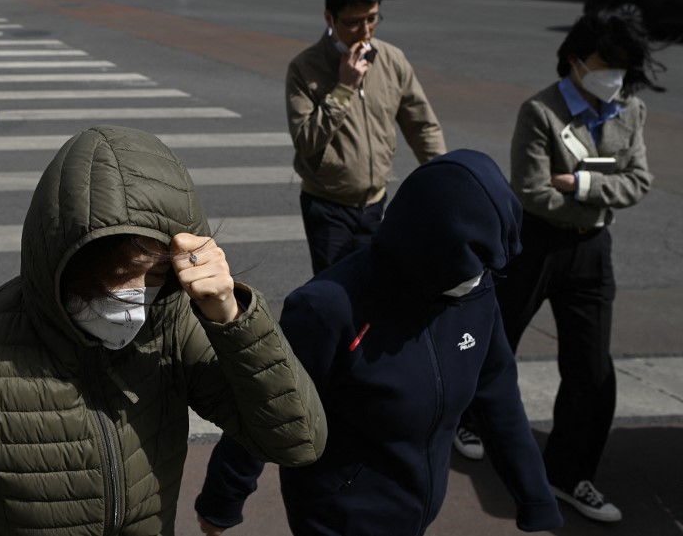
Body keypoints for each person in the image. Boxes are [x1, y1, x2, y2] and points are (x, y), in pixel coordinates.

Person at [0, 125, 327, 536]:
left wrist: (232, 316)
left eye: (153, 276)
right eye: (114, 276)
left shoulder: (173, 328)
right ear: (61, 264)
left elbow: (296, 441)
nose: (132, 298)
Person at [195, 149, 564, 536]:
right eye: (472, 266)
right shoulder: (328, 307)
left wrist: (535, 497)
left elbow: (498, 392)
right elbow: (270, 405)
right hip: (338, 515)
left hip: (417, 512)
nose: (480, 278)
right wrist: (223, 499)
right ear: (431, 249)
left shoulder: (476, 287)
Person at [494, 9, 663, 523]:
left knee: (591, 368)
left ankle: (568, 474)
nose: (615, 76)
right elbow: (534, 191)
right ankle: (469, 419)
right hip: (536, 243)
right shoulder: (541, 112)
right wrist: (588, 195)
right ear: (575, 60)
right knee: (497, 341)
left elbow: (639, 181)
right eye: (606, 64)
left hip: (593, 249)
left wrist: (585, 186)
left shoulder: (629, 111)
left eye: (623, 67)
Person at [286, 0, 446, 275]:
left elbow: (422, 125)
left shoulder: (392, 59)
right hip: (327, 206)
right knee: (335, 296)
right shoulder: (305, 68)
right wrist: (343, 88)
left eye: (372, 18)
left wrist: (443, 178)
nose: (365, 31)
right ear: (329, 18)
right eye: (353, 22)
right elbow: (306, 141)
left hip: (376, 203)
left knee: (375, 292)